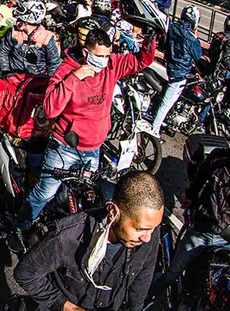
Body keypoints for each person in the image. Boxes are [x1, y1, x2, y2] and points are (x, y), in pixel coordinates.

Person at [9, 28, 156, 252]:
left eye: (108, 55)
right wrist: (74, 79)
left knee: (85, 200)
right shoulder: (66, 70)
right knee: (44, 193)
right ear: (87, 54)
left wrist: (150, 43)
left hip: (93, 150)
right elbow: (50, 108)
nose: (104, 61)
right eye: (99, 56)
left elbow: (140, 61)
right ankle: (18, 228)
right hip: (64, 149)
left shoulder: (112, 66)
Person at [14, 171, 164, 311]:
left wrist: (135, 309)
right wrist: (68, 309)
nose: (148, 238)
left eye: (153, 228)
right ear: (114, 213)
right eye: (140, 230)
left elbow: (145, 271)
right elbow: (25, 273)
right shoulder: (68, 237)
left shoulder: (148, 231)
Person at [162, 119, 230, 286]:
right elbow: (200, 178)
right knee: (172, 274)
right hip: (200, 231)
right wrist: (189, 196)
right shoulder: (218, 158)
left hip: (226, 240)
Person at [150, 5, 202, 137]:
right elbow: (198, 56)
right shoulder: (191, 38)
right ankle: (153, 131)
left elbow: (162, 44)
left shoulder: (171, 28)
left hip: (167, 66)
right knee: (165, 104)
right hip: (179, 73)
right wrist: (196, 38)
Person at [0, 0, 61, 77]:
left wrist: (48, 82)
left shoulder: (46, 37)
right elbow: (3, 51)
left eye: (21, 11)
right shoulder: (14, 33)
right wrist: (6, 72)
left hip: (35, 81)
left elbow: (54, 63)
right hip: (13, 78)